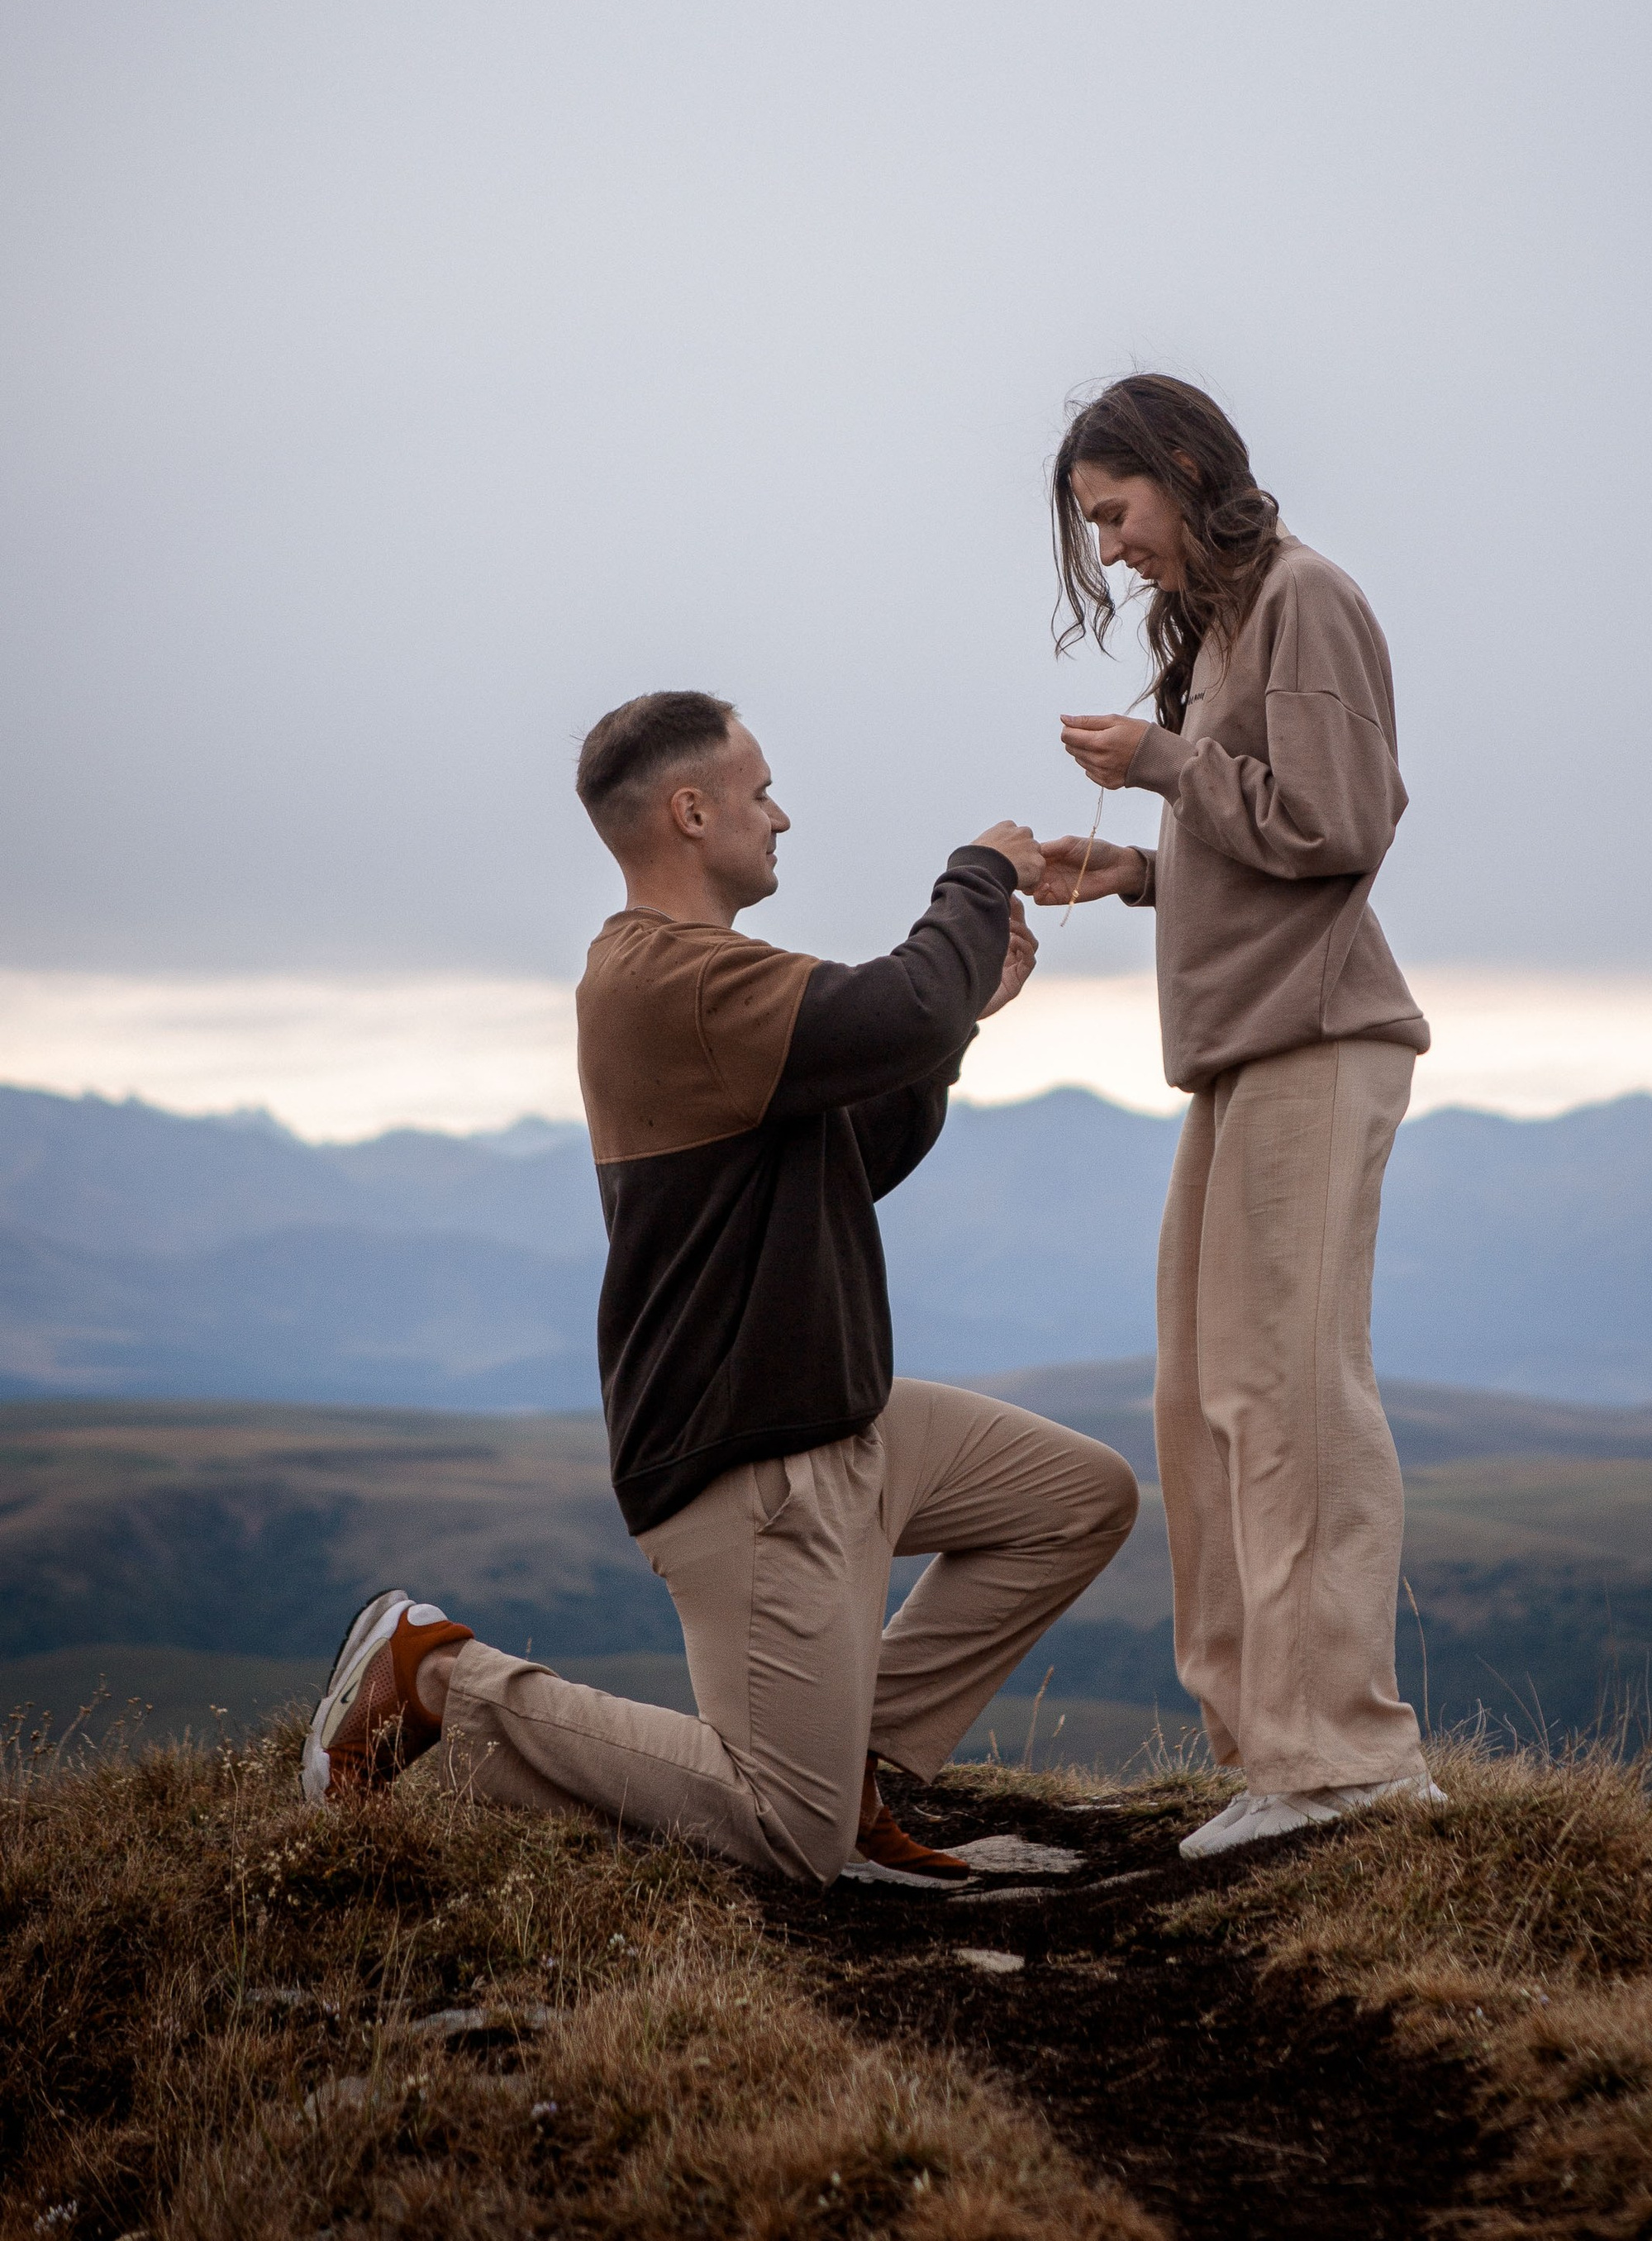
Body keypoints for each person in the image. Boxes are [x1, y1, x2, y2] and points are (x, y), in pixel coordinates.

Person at [302, 688, 1137, 1886]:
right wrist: (976, 871)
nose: (782, 816)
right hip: (750, 1457)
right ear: (692, 812)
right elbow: (900, 1003)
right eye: (760, 794)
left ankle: (854, 1766)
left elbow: (863, 1153)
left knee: (1075, 1497)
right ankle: (434, 1679)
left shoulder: (711, 980)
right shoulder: (666, 979)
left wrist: (958, 1025)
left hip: (834, 1419)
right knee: (786, 1843)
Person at [1035, 374, 1445, 1858]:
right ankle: (1270, 1746)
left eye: (1117, 513)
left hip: (1316, 1038)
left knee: (1292, 1397)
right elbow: (1264, 826)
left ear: (1188, 469)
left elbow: (1342, 823)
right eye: (1094, 526)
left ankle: (1343, 1760)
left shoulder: (1304, 600)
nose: (1111, 549)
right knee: (1205, 1401)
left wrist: (1158, 765)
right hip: (1243, 1049)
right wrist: (1140, 873)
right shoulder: (1220, 629)